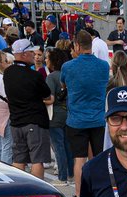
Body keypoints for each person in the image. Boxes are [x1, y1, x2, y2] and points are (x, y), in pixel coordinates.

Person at [62, 28, 110, 197]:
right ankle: (100, 191)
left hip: (76, 120)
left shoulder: (68, 66)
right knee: (99, 158)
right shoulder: (104, 66)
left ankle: (79, 194)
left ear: (76, 45)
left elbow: (64, 85)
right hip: (98, 119)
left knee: (79, 159)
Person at [3, 39, 51, 177]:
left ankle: (19, 190)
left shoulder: (8, 73)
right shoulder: (33, 75)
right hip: (34, 121)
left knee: (19, 159)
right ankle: (38, 192)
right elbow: (46, 94)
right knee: (37, 160)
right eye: (31, 52)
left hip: (16, 121)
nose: (34, 55)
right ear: (24, 54)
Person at [45, 47, 73, 184]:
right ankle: (71, 175)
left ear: (53, 61)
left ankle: (62, 177)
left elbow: (50, 98)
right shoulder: (67, 74)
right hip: (68, 113)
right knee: (68, 146)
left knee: (58, 148)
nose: (45, 60)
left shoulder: (51, 77)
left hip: (54, 115)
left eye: (47, 58)